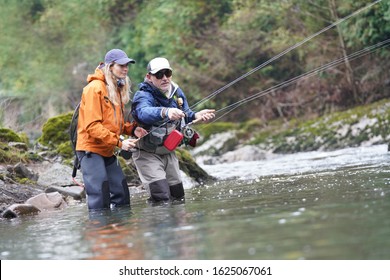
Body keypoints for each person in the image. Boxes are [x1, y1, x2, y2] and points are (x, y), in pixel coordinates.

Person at [131, 57, 215, 204]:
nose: (164, 78)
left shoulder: (176, 92)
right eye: (159, 75)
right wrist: (165, 112)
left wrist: (196, 115)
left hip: (168, 152)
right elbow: (143, 112)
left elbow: (185, 114)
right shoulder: (143, 95)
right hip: (147, 154)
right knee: (161, 198)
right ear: (149, 77)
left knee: (178, 197)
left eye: (167, 73)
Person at [76, 49, 147, 210]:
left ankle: (120, 233)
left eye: (127, 65)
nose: (125, 68)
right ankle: (101, 232)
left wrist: (132, 130)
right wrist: (121, 143)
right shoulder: (94, 88)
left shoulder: (116, 87)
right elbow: (92, 126)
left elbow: (116, 124)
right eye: (121, 65)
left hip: (107, 149)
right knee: (100, 198)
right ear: (110, 67)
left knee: (122, 195)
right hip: (90, 150)